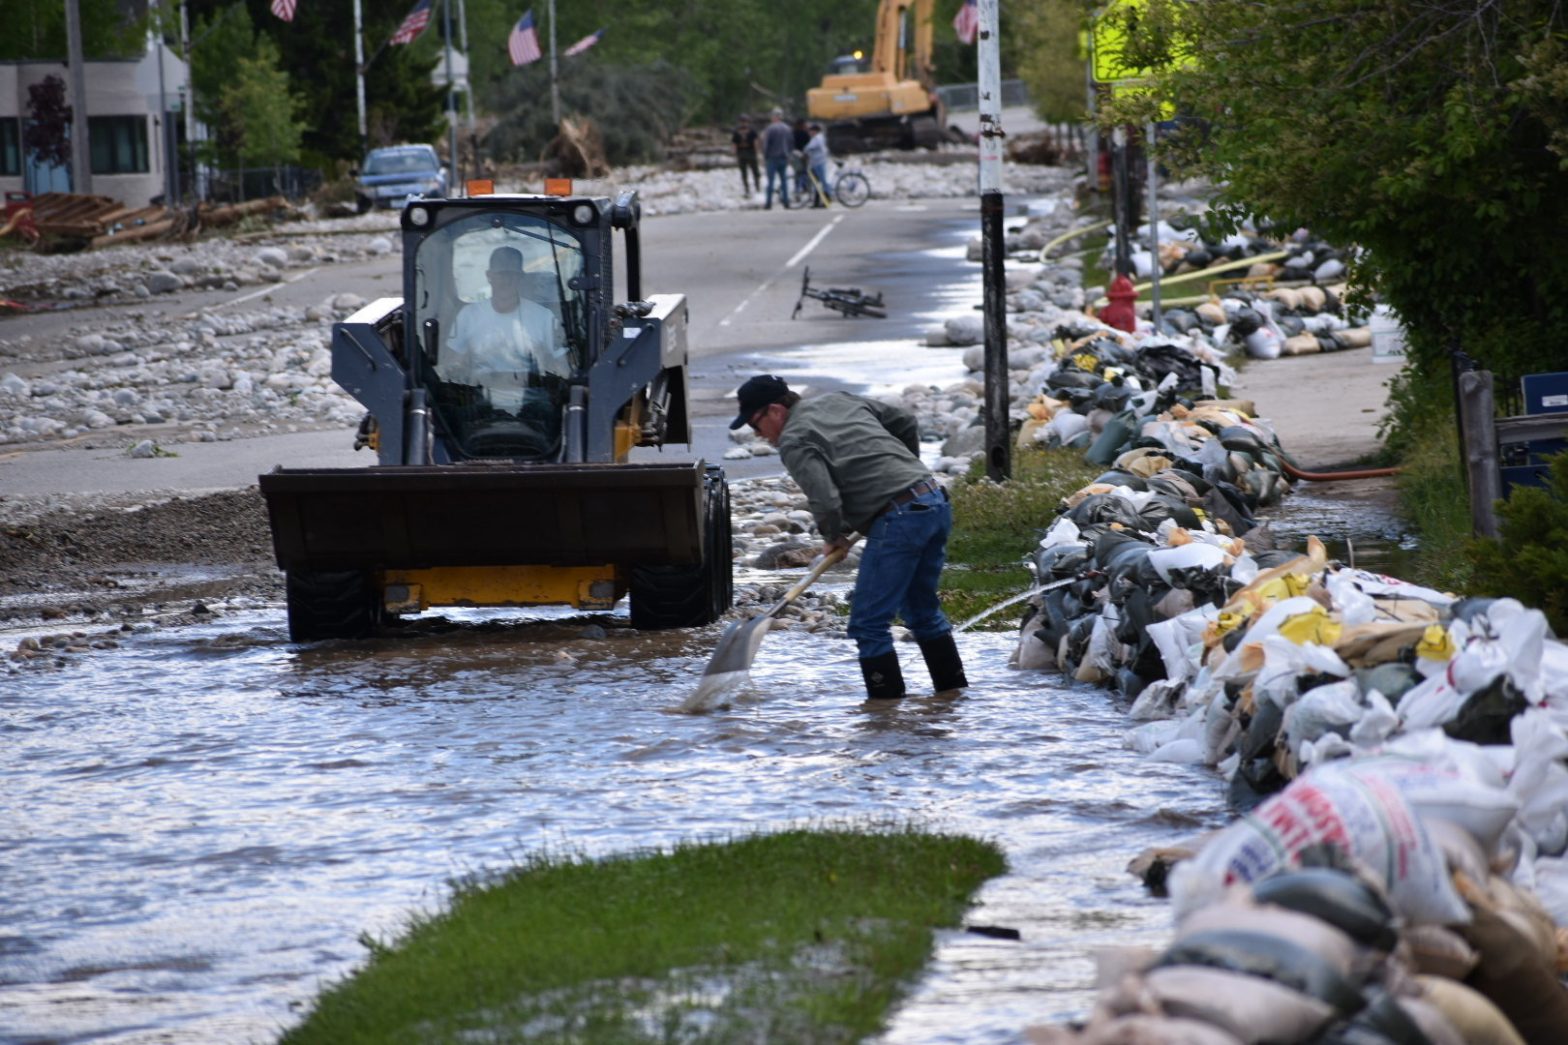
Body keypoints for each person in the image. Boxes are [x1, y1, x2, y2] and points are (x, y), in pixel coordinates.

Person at [729, 375, 967, 700]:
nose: (757, 435)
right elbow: (905, 421)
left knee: (868, 624)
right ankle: (952, 699)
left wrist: (833, 537)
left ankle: (883, 720)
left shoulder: (795, 439)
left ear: (775, 411)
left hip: (900, 518)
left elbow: (825, 499)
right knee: (921, 612)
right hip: (933, 502)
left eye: (756, 425)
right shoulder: (838, 399)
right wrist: (909, 470)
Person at [446, 246, 569, 409]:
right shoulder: (468, 316)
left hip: (533, 401)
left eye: (512, 275)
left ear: (521, 277)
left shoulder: (544, 318)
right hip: (479, 401)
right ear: (489, 276)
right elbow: (451, 364)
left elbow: (562, 367)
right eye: (501, 274)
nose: (506, 281)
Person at [760, 108, 794, 210]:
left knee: (771, 181)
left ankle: (768, 203)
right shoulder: (787, 128)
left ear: (774, 117)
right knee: (784, 181)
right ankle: (786, 202)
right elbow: (790, 143)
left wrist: (765, 156)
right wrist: (789, 155)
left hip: (772, 158)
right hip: (784, 157)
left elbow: (766, 144)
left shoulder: (770, 129)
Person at [731, 115, 760, 196]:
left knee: (755, 171)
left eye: (745, 121)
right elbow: (734, 143)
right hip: (741, 153)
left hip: (751, 152)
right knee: (744, 172)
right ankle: (746, 189)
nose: (743, 123)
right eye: (742, 121)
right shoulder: (736, 132)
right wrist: (734, 152)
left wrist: (757, 151)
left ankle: (757, 187)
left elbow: (755, 142)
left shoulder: (752, 131)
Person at [803, 123, 830, 207]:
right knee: (817, 183)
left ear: (814, 131)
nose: (809, 132)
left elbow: (810, 147)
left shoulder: (818, 138)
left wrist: (805, 150)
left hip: (819, 162)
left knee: (822, 182)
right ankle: (817, 202)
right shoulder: (817, 138)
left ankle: (826, 201)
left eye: (810, 131)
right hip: (816, 162)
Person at [791, 117, 812, 196]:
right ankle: (805, 187)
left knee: (797, 172)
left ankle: (797, 188)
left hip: (795, 155)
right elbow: (808, 144)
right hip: (804, 155)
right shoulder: (805, 133)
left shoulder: (793, 133)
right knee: (805, 172)